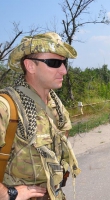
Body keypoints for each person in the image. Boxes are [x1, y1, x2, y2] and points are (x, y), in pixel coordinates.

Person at [0, 32, 81, 200]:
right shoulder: (7, 106)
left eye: (64, 62)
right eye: (54, 63)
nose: (64, 71)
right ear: (30, 66)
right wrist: (8, 194)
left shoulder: (56, 106)